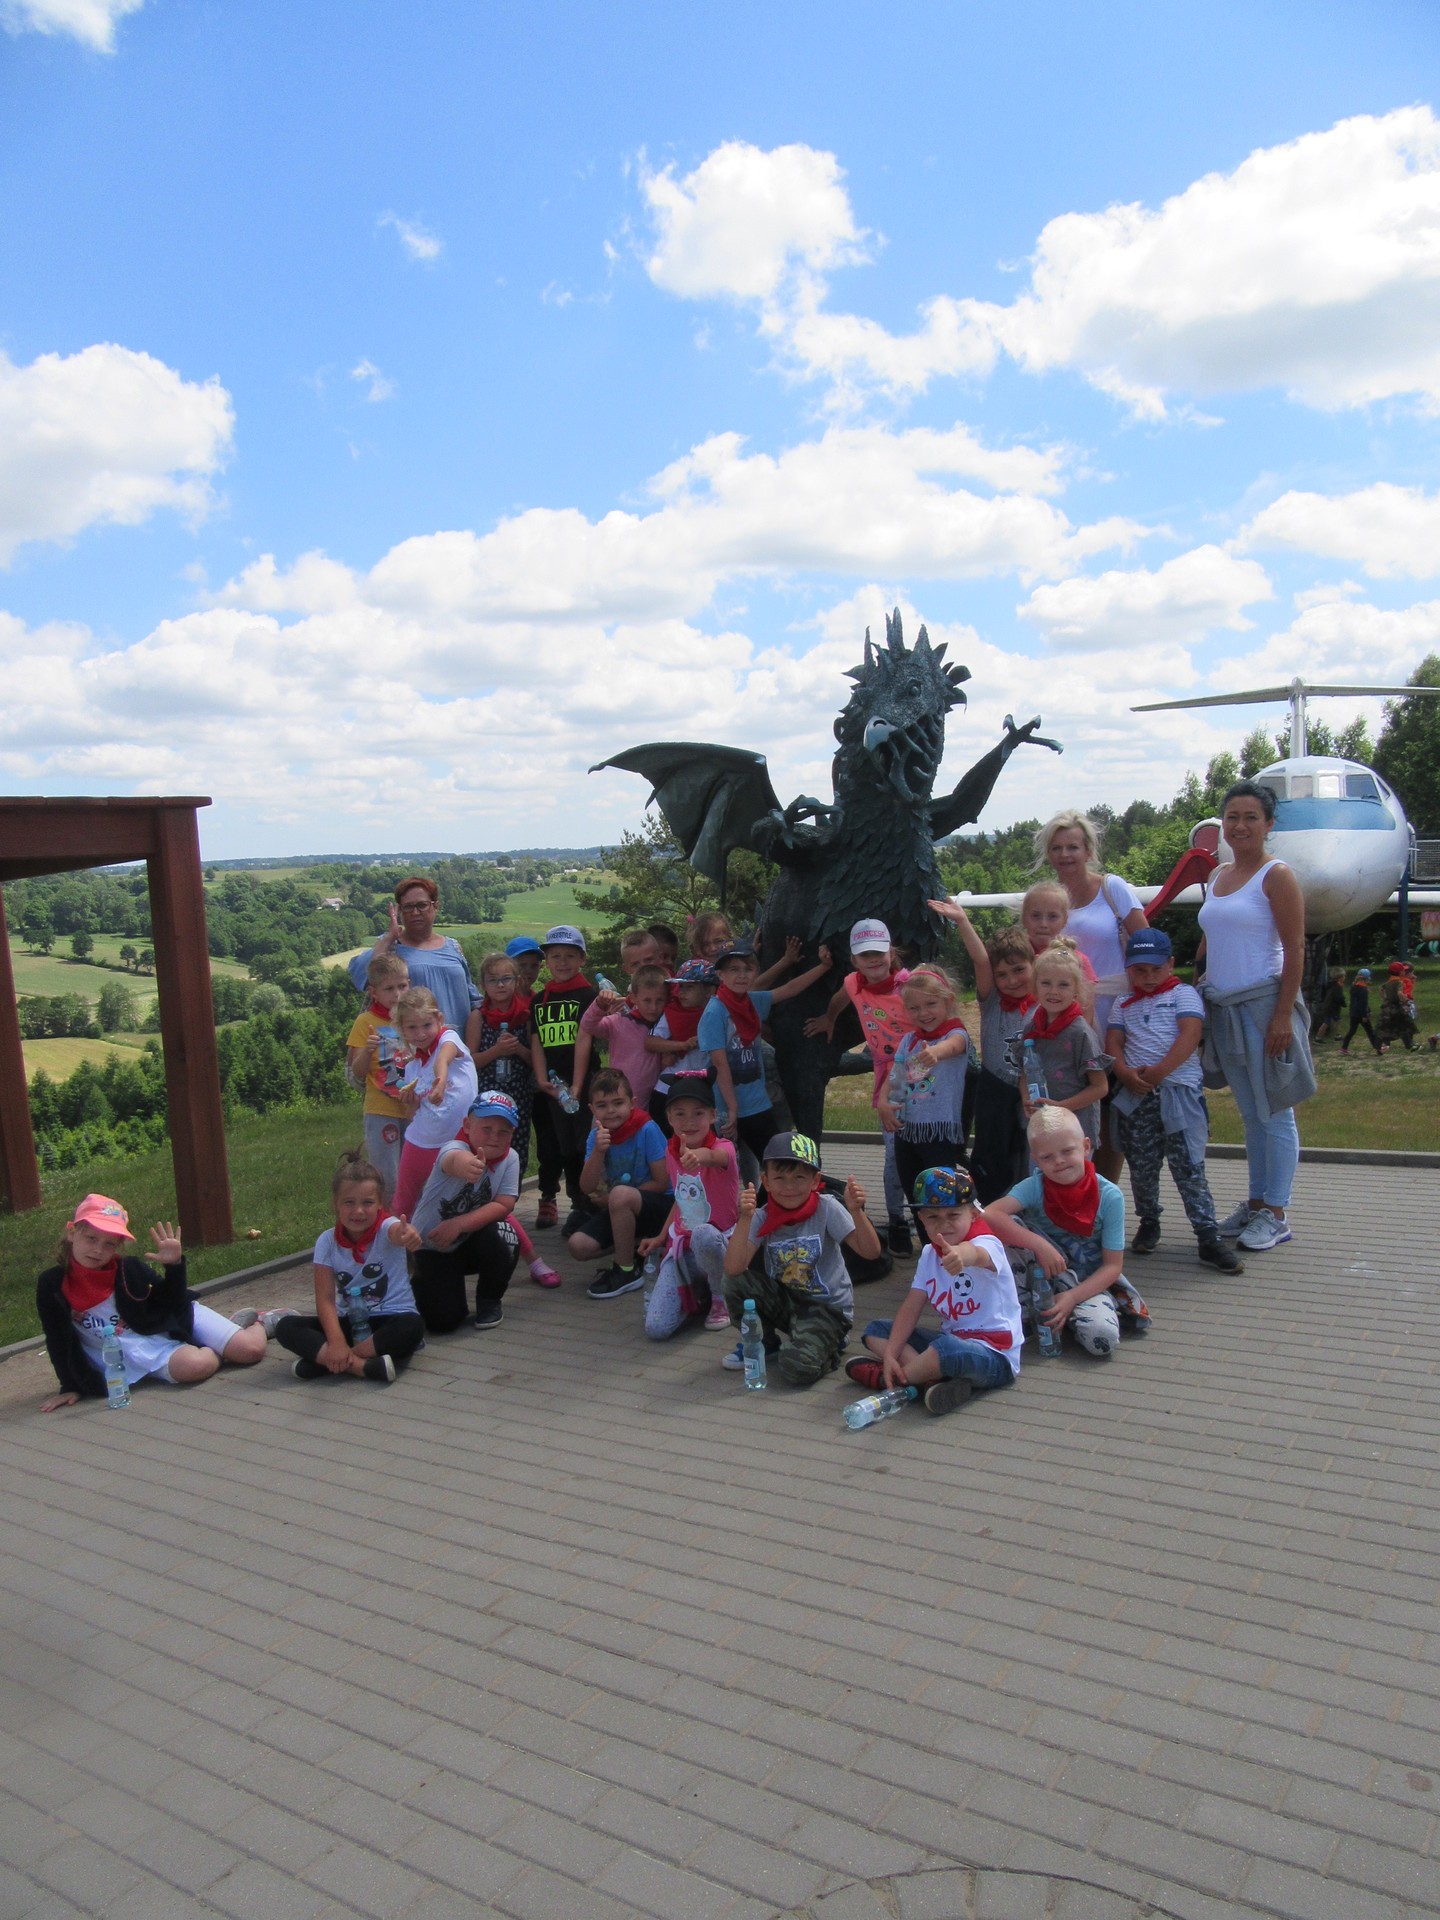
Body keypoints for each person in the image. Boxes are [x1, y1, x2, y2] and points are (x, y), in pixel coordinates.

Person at [1196, 780, 1313, 1253]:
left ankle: (1277, 1213)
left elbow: (1296, 947)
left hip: (1264, 1005)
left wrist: (1283, 1015)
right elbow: (1212, 936)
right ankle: (1258, 1201)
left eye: (1250, 817)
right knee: (1251, 1113)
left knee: (1276, 1111)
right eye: (1232, 817)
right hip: (1224, 1006)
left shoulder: (1276, 875)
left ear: (1268, 824)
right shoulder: (1219, 875)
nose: (1240, 826)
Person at [36, 1194, 269, 1410]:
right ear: (72, 1232)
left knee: (251, 1351)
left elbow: (173, 1300)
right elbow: (56, 1337)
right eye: (91, 1239)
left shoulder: (129, 1268)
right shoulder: (51, 1283)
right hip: (133, 1346)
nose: (98, 1250)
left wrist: (174, 1266)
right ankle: (220, 1340)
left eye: (109, 1244)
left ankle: (262, 1321)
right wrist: (69, 1386)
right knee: (195, 1367)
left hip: (172, 1317)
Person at [1107, 928, 1242, 1272]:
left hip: (1178, 1094)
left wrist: (1160, 1071)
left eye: (1156, 969)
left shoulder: (1184, 994)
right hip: (1138, 1097)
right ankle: (1149, 1221)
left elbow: (1190, 1034)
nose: (1148, 977)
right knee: (1142, 1167)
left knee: (1189, 1167)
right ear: (1129, 969)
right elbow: (1114, 1042)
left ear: (1170, 964)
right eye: (1139, 970)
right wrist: (1124, 1072)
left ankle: (1207, 1235)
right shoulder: (1123, 1003)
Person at [846, 1165, 1021, 1416]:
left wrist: (960, 1255)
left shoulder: (987, 1242)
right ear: (921, 1218)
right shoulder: (929, 1253)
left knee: (947, 1349)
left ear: (973, 1214)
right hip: (951, 1343)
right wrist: (892, 1353)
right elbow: (912, 1306)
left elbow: (977, 1254)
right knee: (878, 1330)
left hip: (995, 1356)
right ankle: (928, 1379)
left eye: (953, 1215)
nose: (944, 1224)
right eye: (933, 1217)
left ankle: (891, 1380)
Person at [1034, 812, 1148, 1179]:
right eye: (1057, 848)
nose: (1065, 855)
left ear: (1088, 850)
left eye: (1073, 847)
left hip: (1114, 1009)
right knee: (1075, 1094)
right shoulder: (1049, 899)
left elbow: (1145, 945)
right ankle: (1071, 1185)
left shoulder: (1112, 889)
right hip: (1066, 1015)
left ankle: (1105, 1188)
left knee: (1111, 1103)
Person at [984, 1107, 1149, 1359]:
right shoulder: (1034, 1186)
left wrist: (1072, 1298)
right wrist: (1040, 1245)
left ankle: (1065, 1312)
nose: (1059, 1161)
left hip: (1086, 1285)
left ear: (1086, 1147)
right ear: (1036, 1160)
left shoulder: (1109, 1196)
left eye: (1067, 1151)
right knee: (1007, 1225)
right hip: (1042, 1277)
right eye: (1047, 1157)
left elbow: (1112, 1267)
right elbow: (989, 1215)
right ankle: (1030, 1310)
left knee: (1102, 1339)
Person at [721, 1131, 881, 1386]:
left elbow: (871, 1252)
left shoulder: (827, 1207)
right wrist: (744, 1218)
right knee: (734, 1282)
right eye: (780, 1178)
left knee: (796, 1368)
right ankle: (764, 1342)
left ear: (815, 1180)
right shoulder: (761, 1215)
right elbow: (733, 1268)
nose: (789, 1187)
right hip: (788, 1301)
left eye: (799, 1177)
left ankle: (830, 1345)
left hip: (827, 1309)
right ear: (766, 1181)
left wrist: (856, 1211)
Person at [804, 918, 915, 1255]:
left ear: (891, 952)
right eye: (865, 955)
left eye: (879, 952)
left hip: (921, 1071)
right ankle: (897, 1219)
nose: (873, 960)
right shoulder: (854, 982)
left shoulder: (909, 984)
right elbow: (841, 997)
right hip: (887, 1076)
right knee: (894, 1152)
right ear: (854, 960)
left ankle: (932, 1214)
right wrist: (829, 1018)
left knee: (925, 1145)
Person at [273, 1153, 425, 1383]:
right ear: (336, 1203)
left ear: (380, 1204)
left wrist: (408, 1234)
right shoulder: (327, 1241)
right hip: (349, 1321)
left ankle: (330, 1363)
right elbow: (325, 1299)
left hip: (390, 1318)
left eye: (367, 1203)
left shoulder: (387, 1227)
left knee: (412, 1327)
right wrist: (336, 1341)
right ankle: (364, 1367)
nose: (358, 1211)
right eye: (349, 1203)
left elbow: (399, 1231)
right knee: (286, 1326)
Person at [930, 899, 1034, 1205]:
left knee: (1031, 1152)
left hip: (1032, 1089)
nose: (1011, 980)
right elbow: (980, 959)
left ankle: (1028, 1211)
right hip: (996, 1087)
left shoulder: (1045, 1000)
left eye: (1019, 970)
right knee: (991, 1155)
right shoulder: (993, 1000)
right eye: (1002, 974)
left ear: (1034, 965)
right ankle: (986, 1210)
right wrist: (963, 921)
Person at [466, 951, 557, 1287]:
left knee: (514, 1156)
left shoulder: (527, 1013)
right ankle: (484, 1216)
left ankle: (506, 1214)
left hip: (519, 1096)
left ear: (517, 981)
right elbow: (470, 1060)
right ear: (483, 984)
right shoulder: (478, 1016)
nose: (500, 986)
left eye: (506, 979)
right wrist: (496, 1052)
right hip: (487, 1100)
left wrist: (516, 1050)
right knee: (484, 1156)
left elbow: (536, 1057)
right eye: (493, 980)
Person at [700, 938, 831, 1159]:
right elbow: (719, 1064)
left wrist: (824, 967)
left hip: (756, 1103)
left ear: (756, 972)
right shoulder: (715, 1012)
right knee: (726, 1165)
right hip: (725, 1107)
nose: (741, 975)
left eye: (747, 969)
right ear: (720, 974)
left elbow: (789, 989)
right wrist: (732, 1108)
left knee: (775, 1161)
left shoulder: (752, 1002)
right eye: (734, 969)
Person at [639, 1071, 740, 1339]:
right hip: (684, 1249)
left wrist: (697, 1156)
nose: (689, 1121)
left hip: (720, 1246)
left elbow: (714, 1157)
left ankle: (720, 1296)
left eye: (698, 1113)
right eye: (680, 1114)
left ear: (713, 1115)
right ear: (669, 1118)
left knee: (704, 1234)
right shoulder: (670, 1151)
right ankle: (698, 1291)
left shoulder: (725, 1148)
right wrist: (661, 1237)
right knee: (656, 1328)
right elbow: (682, 1202)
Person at [411, 1092, 524, 1331]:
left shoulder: (511, 1158)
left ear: (512, 1133)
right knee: (443, 1322)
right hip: (431, 1247)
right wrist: (467, 1165)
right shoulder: (454, 1147)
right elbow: (453, 1160)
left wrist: (459, 1224)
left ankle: (489, 1300)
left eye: (503, 1131)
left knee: (505, 1234)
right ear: (467, 1126)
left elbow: (504, 1204)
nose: (494, 1137)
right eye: (486, 1128)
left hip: (468, 1241)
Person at [569, 1068, 672, 1298]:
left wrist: (611, 1198)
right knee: (578, 1245)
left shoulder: (647, 1128)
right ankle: (639, 1246)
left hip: (661, 1206)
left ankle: (626, 1270)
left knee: (620, 1195)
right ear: (592, 1109)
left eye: (618, 1103)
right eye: (602, 1105)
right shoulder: (596, 1136)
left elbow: (662, 1182)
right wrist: (598, 1151)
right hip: (622, 1207)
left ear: (632, 1103)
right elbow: (586, 1187)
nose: (611, 1111)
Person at [347, 875, 481, 1040]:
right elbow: (363, 973)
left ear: (435, 906)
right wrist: (389, 938)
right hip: (413, 1050)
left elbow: (474, 1000)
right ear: (400, 910)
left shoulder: (453, 948)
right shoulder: (391, 946)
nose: (415, 912)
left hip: (459, 1048)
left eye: (422, 905)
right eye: (408, 907)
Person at [881, 964, 970, 1211]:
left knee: (941, 1196)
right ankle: (924, 1234)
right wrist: (883, 1102)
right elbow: (896, 1075)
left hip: (938, 1132)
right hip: (906, 1129)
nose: (923, 1013)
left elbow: (953, 1046)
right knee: (914, 1193)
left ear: (948, 1001)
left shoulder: (955, 1033)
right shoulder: (910, 1040)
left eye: (931, 1004)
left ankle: (947, 1234)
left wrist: (935, 1052)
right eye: (914, 1008)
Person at [528, 925, 598, 1228]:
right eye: (555, 956)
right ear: (546, 961)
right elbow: (536, 1042)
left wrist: (579, 1085)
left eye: (570, 955)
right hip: (556, 1087)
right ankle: (576, 1204)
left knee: (585, 1144)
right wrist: (542, 1079)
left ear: (582, 959)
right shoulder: (539, 1000)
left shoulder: (588, 995)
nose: (562, 962)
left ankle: (590, 1204)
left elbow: (585, 1038)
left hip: (585, 1083)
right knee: (565, 1145)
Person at [391, 987, 479, 1219]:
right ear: (402, 1029)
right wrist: (410, 1103)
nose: (420, 1033)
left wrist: (439, 1084)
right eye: (412, 1027)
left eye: (427, 1025)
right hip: (419, 1142)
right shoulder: (412, 1068)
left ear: (439, 1020)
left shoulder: (449, 1039)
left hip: (455, 1142)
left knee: (460, 1201)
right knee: (403, 1203)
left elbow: (443, 1060)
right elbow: (412, 1114)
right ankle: (400, 1240)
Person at [1020, 939, 1109, 1151]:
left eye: (1063, 984)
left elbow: (1100, 1087)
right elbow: (1024, 1072)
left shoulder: (1081, 1033)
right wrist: (1027, 1099)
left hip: (1076, 1129)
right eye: (1046, 983)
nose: (1054, 991)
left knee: (1073, 1172)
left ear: (1076, 990)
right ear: (1034, 986)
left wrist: (1061, 1108)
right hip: (1042, 1126)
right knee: (1041, 1170)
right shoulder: (1031, 1026)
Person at [345, 951, 410, 1200]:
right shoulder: (365, 1022)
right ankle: (388, 1219)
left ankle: (413, 1219)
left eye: (402, 986)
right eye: (389, 988)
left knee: (414, 1172)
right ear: (374, 993)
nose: (397, 995)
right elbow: (358, 1072)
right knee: (386, 1175)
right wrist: (368, 1051)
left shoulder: (415, 1018)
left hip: (414, 1107)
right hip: (381, 1110)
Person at [575, 965, 669, 1112]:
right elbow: (588, 1026)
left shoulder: (665, 1026)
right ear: (633, 998)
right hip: (615, 1105)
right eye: (647, 1000)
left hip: (650, 1108)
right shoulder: (619, 1022)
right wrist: (599, 1005)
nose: (653, 1007)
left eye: (659, 1001)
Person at [647, 958, 717, 1127]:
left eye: (689, 987)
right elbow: (650, 1042)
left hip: (704, 1089)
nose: (682, 993)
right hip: (668, 1088)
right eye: (681, 987)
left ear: (709, 990)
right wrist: (683, 1045)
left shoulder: (718, 1013)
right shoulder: (673, 1012)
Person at [1341, 968, 1382, 1055]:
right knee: (1370, 1031)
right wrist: (1365, 1015)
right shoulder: (1363, 990)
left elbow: (1355, 1002)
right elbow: (1363, 1003)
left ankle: (1344, 1047)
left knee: (1352, 1030)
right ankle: (1378, 1048)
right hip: (1361, 1014)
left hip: (1353, 1013)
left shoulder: (1353, 987)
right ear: (1366, 978)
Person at [1378, 963, 1418, 1051]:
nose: (1405, 971)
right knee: (1405, 1025)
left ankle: (1386, 1045)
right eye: (1403, 970)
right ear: (1399, 972)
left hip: (1388, 1007)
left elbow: (1381, 989)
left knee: (1390, 1026)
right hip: (1397, 1007)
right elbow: (1400, 993)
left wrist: (1385, 999)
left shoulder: (1388, 982)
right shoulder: (1399, 982)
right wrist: (1406, 1002)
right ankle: (1409, 1045)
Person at [1311, 967, 1346, 1042]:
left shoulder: (1332, 985)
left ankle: (1338, 1035)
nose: (1344, 978)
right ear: (1339, 978)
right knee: (1326, 1022)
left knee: (1337, 1020)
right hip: (1331, 1008)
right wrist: (1343, 1002)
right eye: (1343, 976)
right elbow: (1338, 997)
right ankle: (1318, 1037)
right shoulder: (1336, 987)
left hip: (1331, 1007)